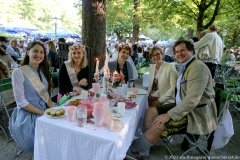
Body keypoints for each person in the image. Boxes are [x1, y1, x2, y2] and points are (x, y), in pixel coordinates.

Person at [127, 40, 217, 159]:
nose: (179, 54)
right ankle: (144, 148)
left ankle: (131, 150)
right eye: (176, 51)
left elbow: (192, 100)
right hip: (181, 106)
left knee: (158, 124)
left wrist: (168, 115)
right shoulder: (186, 66)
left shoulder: (198, 68)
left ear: (191, 50)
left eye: (182, 50)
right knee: (150, 111)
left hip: (195, 114)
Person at [9, 41, 54, 153]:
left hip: (45, 109)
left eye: (41, 52)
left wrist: (54, 109)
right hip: (29, 114)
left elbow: (46, 95)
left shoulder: (43, 71)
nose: (38, 55)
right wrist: (43, 113)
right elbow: (21, 102)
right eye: (35, 51)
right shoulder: (18, 72)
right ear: (28, 52)